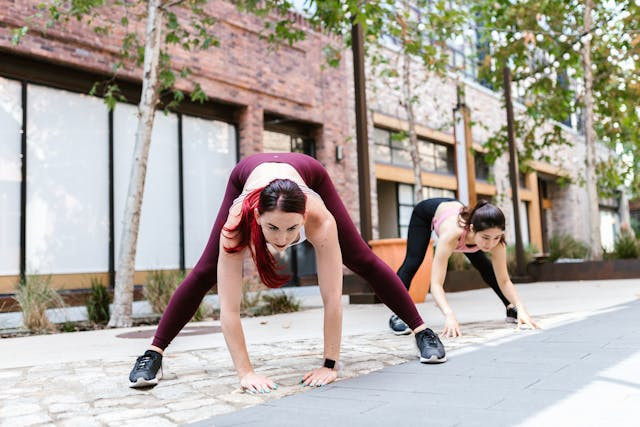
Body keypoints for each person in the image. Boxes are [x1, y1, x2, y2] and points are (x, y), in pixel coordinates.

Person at [129, 153, 447, 392]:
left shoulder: (320, 218)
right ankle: (153, 353)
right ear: (256, 216)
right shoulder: (238, 220)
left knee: (361, 257)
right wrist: (245, 373)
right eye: (272, 229)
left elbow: (332, 298)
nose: (282, 240)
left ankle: (421, 331)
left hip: (307, 171)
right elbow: (229, 308)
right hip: (248, 172)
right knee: (204, 271)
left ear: (304, 216)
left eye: (292, 228)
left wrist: (330, 364)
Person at [388, 198, 540, 337]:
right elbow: (435, 284)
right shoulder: (451, 235)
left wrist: (521, 308)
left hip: (456, 212)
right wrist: (449, 314)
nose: (490, 244)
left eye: (496, 237)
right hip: (425, 213)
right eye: (485, 238)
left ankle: (510, 308)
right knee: (413, 261)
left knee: (485, 266)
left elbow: (505, 281)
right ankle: (398, 314)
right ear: (473, 229)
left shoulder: (496, 242)